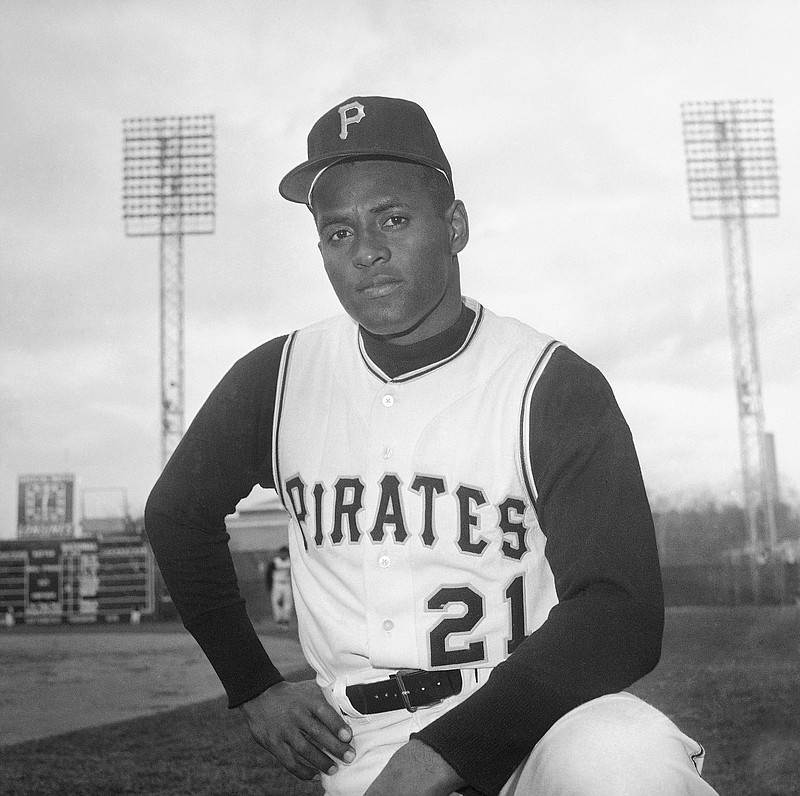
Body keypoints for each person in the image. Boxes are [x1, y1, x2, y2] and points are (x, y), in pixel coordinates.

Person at [145, 96, 719, 796]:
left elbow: (621, 610)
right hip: (366, 739)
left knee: (626, 759)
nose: (367, 252)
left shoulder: (550, 383)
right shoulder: (280, 376)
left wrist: (443, 753)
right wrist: (253, 686)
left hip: (543, 720)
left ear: (454, 226)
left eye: (393, 218)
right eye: (338, 232)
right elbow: (176, 514)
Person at [266, 545, 293, 630]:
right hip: (277, 584)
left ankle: (286, 621)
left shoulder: (290, 562)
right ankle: (279, 621)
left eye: (285, 553)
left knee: (288, 603)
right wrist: (269, 586)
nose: (284, 555)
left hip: (287, 584)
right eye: (282, 553)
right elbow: (268, 575)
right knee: (276, 603)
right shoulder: (275, 562)